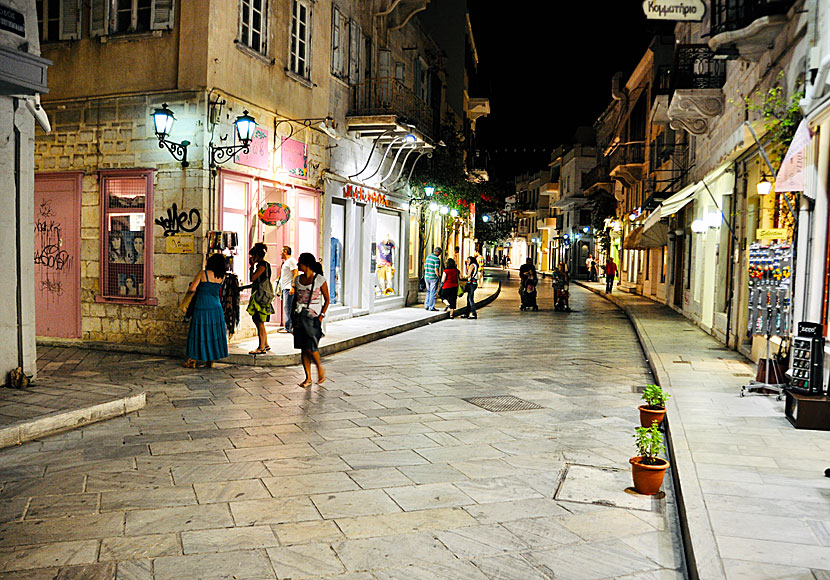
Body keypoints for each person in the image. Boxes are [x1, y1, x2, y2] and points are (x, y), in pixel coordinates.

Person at [184, 253, 229, 368]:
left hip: (202, 305)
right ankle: (210, 359)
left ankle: (192, 360)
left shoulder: (203, 274)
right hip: (216, 308)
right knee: (213, 333)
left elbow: (192, 289)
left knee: (198, 332)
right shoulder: (221, 277)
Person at [292, 253, 330, 387]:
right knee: (303, 348)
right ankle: (308, 377)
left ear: (306, 265)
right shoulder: (297, 280)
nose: (298, 265)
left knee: (311, 346)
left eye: (300, 263)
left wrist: (321, 316)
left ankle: (319, 368)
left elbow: (327, 299)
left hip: (313, 318)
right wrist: (292, 317)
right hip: (299, 317)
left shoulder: (320, 279)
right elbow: (295, 299)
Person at [241, 242, 275, 355]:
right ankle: (265, 344)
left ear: (256, 255)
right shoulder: (266, 265)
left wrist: (251, 266)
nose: (251, 258)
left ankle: (261, 347)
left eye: (252, 256)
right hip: (261, 295)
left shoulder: (261, 266)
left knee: (259, 321)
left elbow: (253, 278)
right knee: (259, 321)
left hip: (260, 297)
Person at [278, 246, 298, 333]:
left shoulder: (291, 261)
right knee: (287, 307)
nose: (280, 253)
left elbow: (295, 273)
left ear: (285, 252)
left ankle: (289, 327)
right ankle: (288, 326)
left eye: (281, 251)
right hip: (285, 287)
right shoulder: (286, 262)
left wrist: (293, 286)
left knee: (288, 307)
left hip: (288, 288)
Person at [423, 247, 442, 311]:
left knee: (428, 291)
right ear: (438, 253)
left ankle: (426, 305)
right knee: (433, 292)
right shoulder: (436, 259)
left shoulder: (428, 257)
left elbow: (425, 267)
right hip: (433, 277)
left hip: (426, 277)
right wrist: (439, 277)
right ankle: (431, 307)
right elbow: (436, 270)